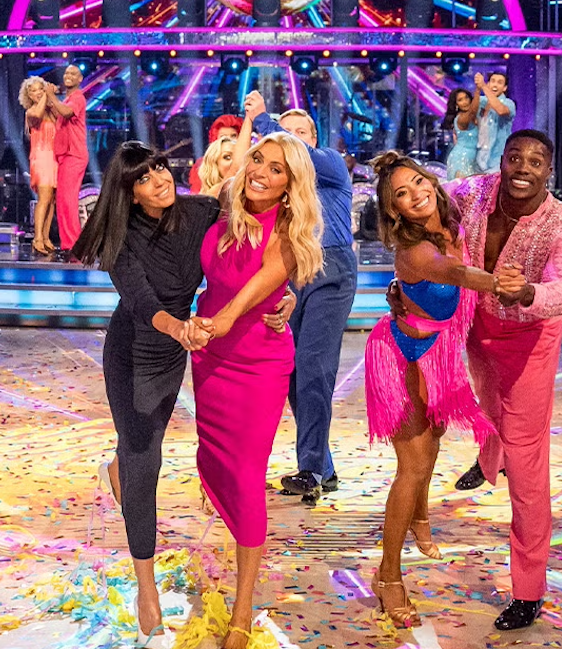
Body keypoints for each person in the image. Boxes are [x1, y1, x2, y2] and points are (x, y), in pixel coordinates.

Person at [72, 142, 227, 641]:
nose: (159, 179)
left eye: (159, 167)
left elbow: (247, 251)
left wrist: (282, 294)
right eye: (143, 177)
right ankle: (146, 587)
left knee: (143, 447)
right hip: (134, 349)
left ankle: (120, 467)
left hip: (172, 352)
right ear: (130, 193)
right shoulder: (121, 236)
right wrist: (179, 328)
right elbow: (141, 303)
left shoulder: (202, 212)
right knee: (146, 457)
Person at [445, 130, 562, 631]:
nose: (523, 168)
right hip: (475, 323)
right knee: (487, 405)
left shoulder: (561, 224)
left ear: (550, 171)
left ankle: (529, 589)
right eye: (515, 157)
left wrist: (527, 293)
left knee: (526, 463)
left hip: (529, 338)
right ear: (502, 160)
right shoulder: (474, 193)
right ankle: (488, 459)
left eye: (536, 161)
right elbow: (432, 207)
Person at [188, 131, 321, 649]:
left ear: (291, 185)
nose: (261, 172)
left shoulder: (286, 230)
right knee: (214, 458)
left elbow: (257, 285)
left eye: (277, 169)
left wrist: (225, 318)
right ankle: (220, 497)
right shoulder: (223, 205)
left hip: (257, 362)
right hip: (210, 358)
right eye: (259, 160)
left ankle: (243, 605)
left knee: (247, 477)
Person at [366, 152, 495, 629]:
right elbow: (456, 275)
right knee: (413, 464)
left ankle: (420, 518)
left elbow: (487, 181)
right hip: (400, 354)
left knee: (433, 441)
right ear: (394, 210)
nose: (416, 194)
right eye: (402, 193)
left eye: (419, 182)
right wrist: (502, 284)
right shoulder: (415, 251)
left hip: (438, 351)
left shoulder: (455, 218)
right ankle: (388, 576)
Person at [243, 91, 356, 504]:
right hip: (291, 272)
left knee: (314, 367)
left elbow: (299, 155)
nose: (290, 139)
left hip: (331, 269)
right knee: (292, 372)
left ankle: (310, 470)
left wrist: (264, 120)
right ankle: (323, 467)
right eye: (284, 132)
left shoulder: (329, 163)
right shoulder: (283, 188)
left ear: (313, 138)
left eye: (299, 132)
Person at [20, 77, 60, 257]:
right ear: (28, 95)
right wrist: (47, 94)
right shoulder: (30, 112)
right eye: (34, 91)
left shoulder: (50, 111)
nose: (37, 93)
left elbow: (62, 119)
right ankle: (37, 238)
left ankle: (45, 236)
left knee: (51, 199)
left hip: (54, 157)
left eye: (40, 89)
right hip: (41, 157)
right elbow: (36, 116)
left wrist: (52, 97)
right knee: (44, 198)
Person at [51, 64, 88, 252]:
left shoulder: (78, 98)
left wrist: (51, 96)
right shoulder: (67, 99)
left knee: (68, 200)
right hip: (65, 154)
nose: (68, 75)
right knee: (63, 201)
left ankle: (74, 244)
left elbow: (66, 112)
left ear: (80, 79)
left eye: (73, 73)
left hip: (74, 154)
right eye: (66, 72)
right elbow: (59, 113)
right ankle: (68, 243)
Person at [469, 71, 515, 174]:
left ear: (505, 88)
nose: (495, 85)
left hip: (496, 157)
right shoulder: (482, 101)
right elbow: (471, 115)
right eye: (492, 81)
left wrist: (484, 86)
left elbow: (501, 110)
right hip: (477, 155)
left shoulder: (509, 103)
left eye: (499, 82)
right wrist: (478, 89)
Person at [443, 88, 481, 179]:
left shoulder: (474, 117)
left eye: (466, 98)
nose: (465, 102)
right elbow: (472, 112)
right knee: (464, 187)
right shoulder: (461, 118)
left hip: (473, 159)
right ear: (456, 105)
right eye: (460, 100)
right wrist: (478, 90)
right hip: (461, 159)